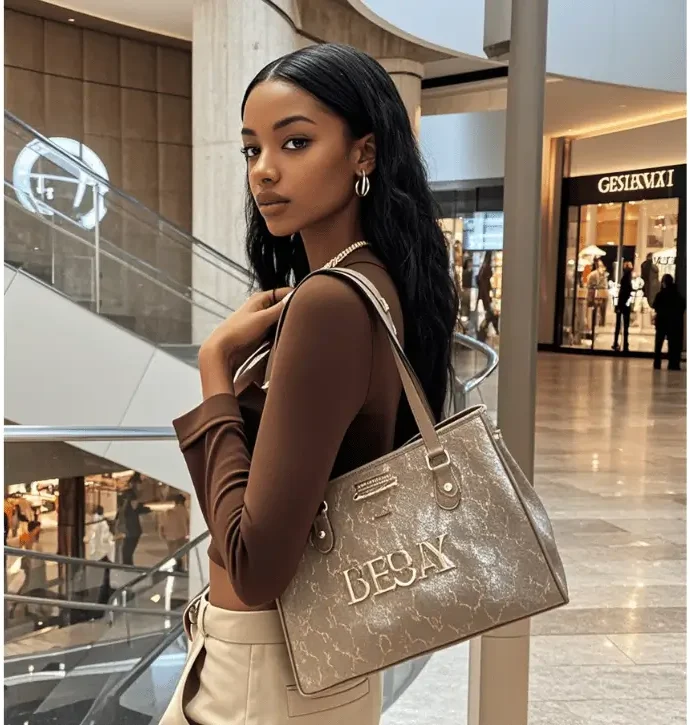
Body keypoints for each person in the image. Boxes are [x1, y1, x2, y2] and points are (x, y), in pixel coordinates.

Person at [159, 43, 458, 725]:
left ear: (364, 153)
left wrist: (214, 369)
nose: (264, 172)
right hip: (309, 668)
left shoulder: (328, 303)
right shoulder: (378, 284)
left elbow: (256, 561)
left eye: (294, 141)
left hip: (263, 675)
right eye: (251, 150)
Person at [653, 274, 686, 370]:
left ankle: (657, 363)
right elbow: (682, 306)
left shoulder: (660, 295)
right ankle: (673, 364)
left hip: (662, 322)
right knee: (673, 344)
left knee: (659, 344)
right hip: (674, 323)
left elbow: (656, 306)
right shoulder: (677, 295)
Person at [84, 505, 115, 603]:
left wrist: (86, 538)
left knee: (94, 577)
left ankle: (98, 599)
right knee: (105, 576)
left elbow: (92, 534)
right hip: (104, 553)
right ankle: (104, 599)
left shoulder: (97, 520)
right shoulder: (103, 521)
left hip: (99, 554)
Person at [117, 493, 151, 566]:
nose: (135, 503)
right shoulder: (127, 508)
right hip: (132, 532)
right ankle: (129, 566)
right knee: (127, 552)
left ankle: (128, 567)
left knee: (127, 552)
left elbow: (146, 509)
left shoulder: (128, 508)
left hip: (132, 533)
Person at [160, 495, 189, 571]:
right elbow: (187, 523)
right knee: (180, 552)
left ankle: (175, 567)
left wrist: (162, 534)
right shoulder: (184, 511)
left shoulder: (168, 512)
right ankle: (179, 568)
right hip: (180, 536)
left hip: (169, 536)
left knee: (172, 553)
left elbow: (162, 524)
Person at [477, 251, 499, 340]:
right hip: (486, 297)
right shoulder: (487, 269)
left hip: (484, 297)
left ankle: (490, 332)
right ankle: (493, 331)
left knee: (490, 316)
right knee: (491, 316)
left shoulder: (483, 268)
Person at [612, 262, 633, 352]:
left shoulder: (624, 280)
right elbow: (626, 293)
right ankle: (625, 343)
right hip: (625, 305)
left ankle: (616, 342)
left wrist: (618, 306)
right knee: (625, 326)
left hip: (621, 305)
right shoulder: (628, 281)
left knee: (618, 326)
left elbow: (621, 294)